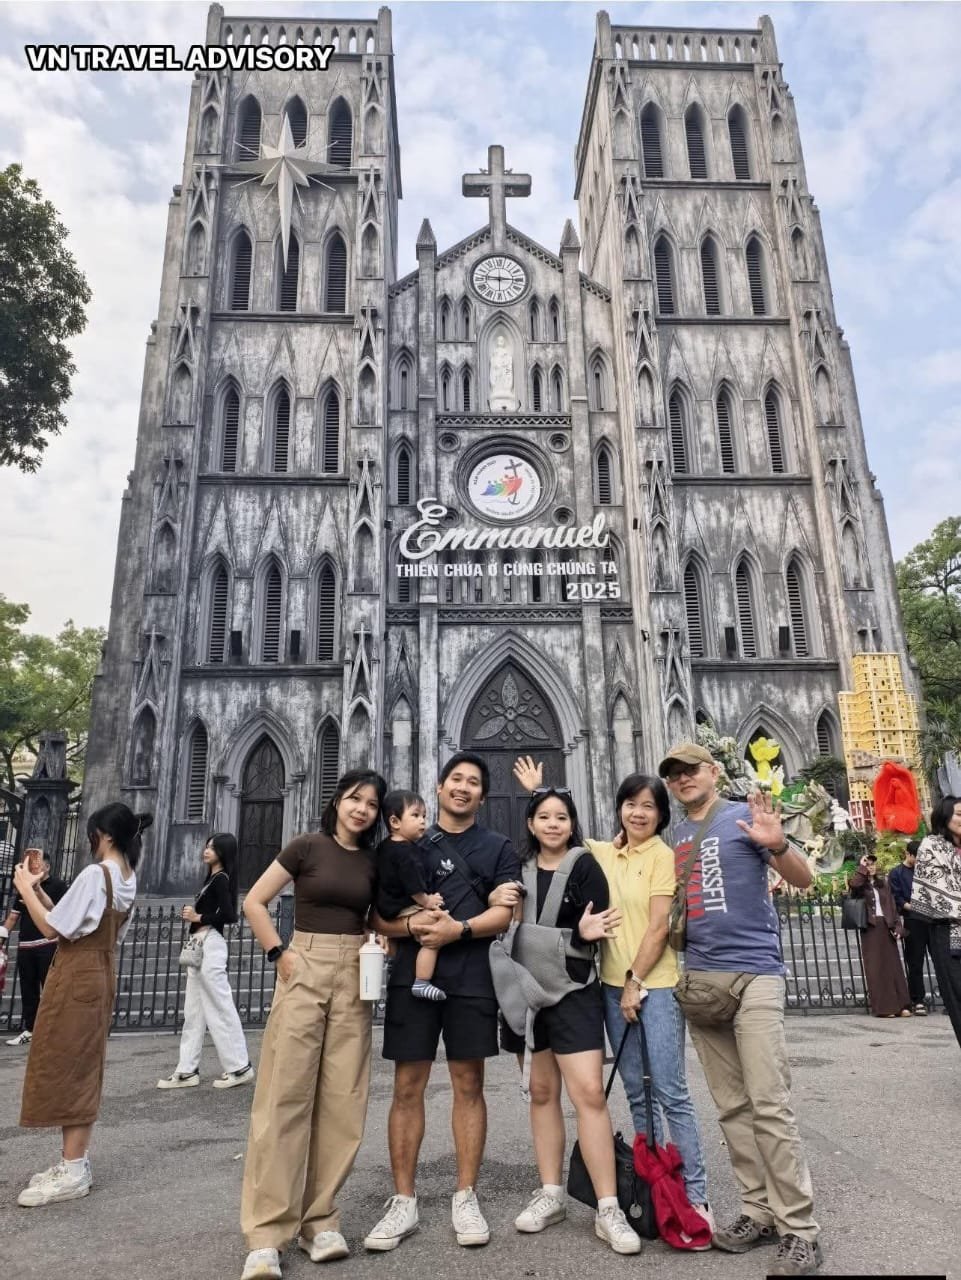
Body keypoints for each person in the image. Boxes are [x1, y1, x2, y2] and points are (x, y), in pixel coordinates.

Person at [512, 757, 711, 1242]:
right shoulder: (601, 852)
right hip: (607, 985)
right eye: (630, 805)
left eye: (648, 806)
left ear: (661, 814)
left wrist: (634, 981)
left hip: (651, 985)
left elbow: (659, 927)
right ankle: (652, 1189)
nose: (638, 813)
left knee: (670, 1092)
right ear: (619, 809)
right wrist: (539, 791)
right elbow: (557, 833)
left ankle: (696, 1197)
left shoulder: (662, 856)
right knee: (638, 1094)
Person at [659, 742, 822, 1277]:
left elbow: (803, 878)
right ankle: (758, 1211)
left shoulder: (744, 817)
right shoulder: (673, 835)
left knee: (769, 1104)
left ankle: (799, 1229)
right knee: (731, 1106)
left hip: (756, 974)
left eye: (691, 770)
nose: (683, 779)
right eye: (674, 775)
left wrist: (778, 845)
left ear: (713, 771)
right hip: (704, 981)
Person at [363, 752, 519, 1253]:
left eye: (473, 782)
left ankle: (465, 1195)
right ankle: (403, 1199)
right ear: (439, 787)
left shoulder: (497, 847)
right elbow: (376, 915)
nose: (463, 787)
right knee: (407, 1086)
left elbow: (505, 915)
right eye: (456, 779)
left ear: (482, 796)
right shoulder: (405, 843)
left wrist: (459, 930)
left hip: (472, 975)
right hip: (414, 975)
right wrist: (411, 925)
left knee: (468, 1083)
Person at [239, 769, 386, 1280]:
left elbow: (374, 916)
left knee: (343, 1100)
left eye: (371, 803)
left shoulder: (373, 860)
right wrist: (278, 953)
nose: (362, 809)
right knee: (285, 1096)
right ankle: (266, 1234)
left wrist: (383, 936)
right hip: (304, 963)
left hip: (354, 972)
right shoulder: (306, 846)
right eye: (354, 799)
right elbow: (254, 901)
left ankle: (320, 1220)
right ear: (338, 801)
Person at [490, 787, 641, 1254]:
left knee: (589, 1093)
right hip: (523, 990)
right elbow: (498, 918)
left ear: (572, 824)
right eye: (543, 816)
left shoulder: (585, 866)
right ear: (530, 824)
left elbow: (595, 925)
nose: (553, 824)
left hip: (573, 991)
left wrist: (582, 933)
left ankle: (608, 1206)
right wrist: (496, 898)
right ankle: (551, 1192)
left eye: (561, 817)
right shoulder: (514, 869)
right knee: (540, 1093)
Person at [13, 803, 148, 1207]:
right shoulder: (126, 877)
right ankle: (73, 1162)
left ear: (103, 835)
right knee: (81, 1062)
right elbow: (70, 920)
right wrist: (40, 890)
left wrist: (23, 888)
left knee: (69, 1064)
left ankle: (73, 1169)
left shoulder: (96, 873)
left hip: (77, 973)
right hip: (100, 970)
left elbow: (52, 928)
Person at [157, 833, 253, 1090]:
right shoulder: (211, 879)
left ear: (223, 852)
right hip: (199, 945)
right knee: (194, 1011)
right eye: (207, 846)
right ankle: (187, 1070)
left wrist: (197, 916)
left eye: (212, 847)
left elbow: (230, 915)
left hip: (211, 944)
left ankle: (239, 1066)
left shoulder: (221, 879)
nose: (206, 850)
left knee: (220, 1005)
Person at [376, 791, 447, 1001]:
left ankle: (395, 955)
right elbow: (413, 887)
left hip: (386, 905)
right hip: (402, 906)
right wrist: (428, 901)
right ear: (395, 822)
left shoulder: (385, 846)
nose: (422, 821)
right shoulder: (407, 852)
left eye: (424, 816)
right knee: (435, 930)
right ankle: (422, 981)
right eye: (415, 815)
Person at [1, 849, 69, 1046]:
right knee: (28, 989)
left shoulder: (58, 886)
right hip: (26, 945)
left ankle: (54, 1030)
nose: (33, 867)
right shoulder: (25, 887)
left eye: (37, 863)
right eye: (31, 864)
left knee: (50, 989)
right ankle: (30, 1029)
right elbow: (13, 916)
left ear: (47, 866)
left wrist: (38, 892)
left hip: (48, 944)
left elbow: (60, 912)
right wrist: (2, 937)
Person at [911, 796, 961, 1050]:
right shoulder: (932, 846)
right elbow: (938, 892)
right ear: (945, 816)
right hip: (949, 932)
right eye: (959, 814)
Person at [848, 854, 911, 1017]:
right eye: (867, 864)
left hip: (886, 925)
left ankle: (902, 1005)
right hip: (870, 927)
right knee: (876, 967)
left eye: (872, 864)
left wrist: (898, 926)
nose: (871, 867)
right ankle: (885, 1008)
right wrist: (862, 868)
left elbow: (891, 906)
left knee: (893, 966)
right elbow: (854, 885)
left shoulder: (883, 884)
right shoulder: (860, 885)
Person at [888, 841, 928, 1015]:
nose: (919, 860)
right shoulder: (897, 873)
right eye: (917, 856)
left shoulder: (925, 871)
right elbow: (896, 897)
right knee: (915, 961)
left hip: (931, 919)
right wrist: (911, 906)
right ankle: (918, 1000)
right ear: (908, 854)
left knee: (941, 960)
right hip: (912, 919)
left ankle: (949, 997)